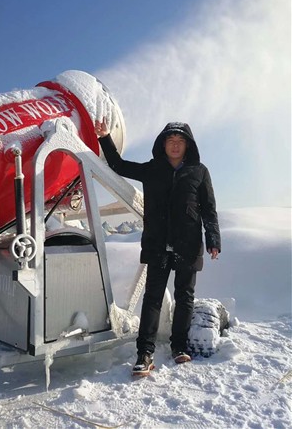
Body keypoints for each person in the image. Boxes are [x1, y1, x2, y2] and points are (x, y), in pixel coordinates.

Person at [94, 119, 221, 376]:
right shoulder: (152, 169)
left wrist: (213, 240)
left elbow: (208, 209)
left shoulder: (199, 171)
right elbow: (118, 165)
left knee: (185, 297)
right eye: (170, 141)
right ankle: (145, 353)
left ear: (188, 145)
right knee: (152, 298)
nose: (175, 145)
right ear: (163, 144)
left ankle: (179, 347)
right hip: (158, 245)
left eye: (180, 141)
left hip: (188, 244)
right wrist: (105, 137)